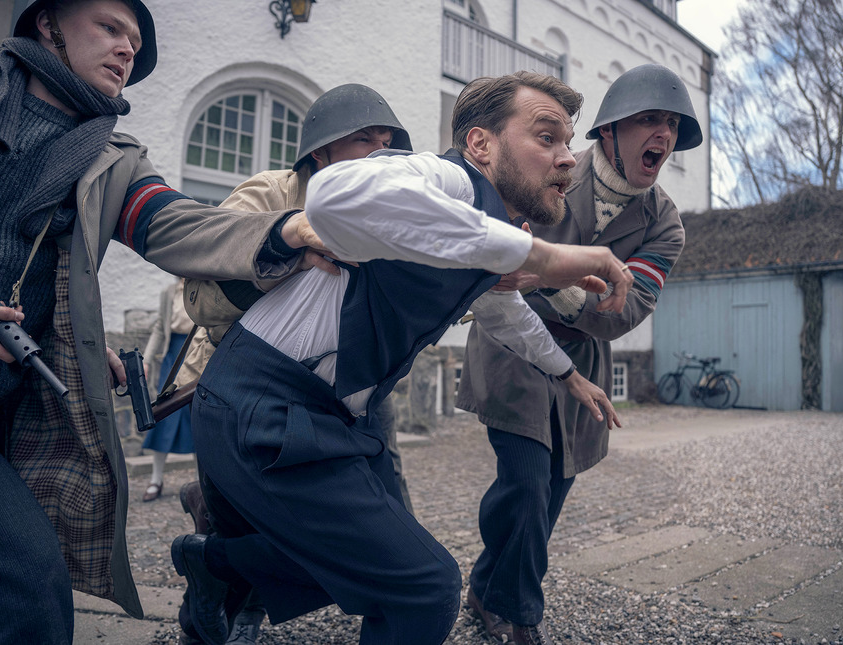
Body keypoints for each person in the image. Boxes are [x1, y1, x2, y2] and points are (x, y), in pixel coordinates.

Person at [171, 70, 632, 645]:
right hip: (263, 402)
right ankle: (221, 566)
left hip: (330, 411)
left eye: (568, 143)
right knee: (424, 586)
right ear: (481, 144)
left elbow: (504, 312)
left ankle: (213, 564)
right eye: (546, 138)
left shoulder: (473, 230)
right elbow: (335, 193)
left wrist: (570, 376)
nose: (568, 159)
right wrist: (543, 253)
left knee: (377, 561)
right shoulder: (446, 178)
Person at [0, 1, 322, 642]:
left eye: (135, 39)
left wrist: (286, 230)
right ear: (47, 24)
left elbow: (179, 225)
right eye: (110, 28)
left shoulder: (113, 157)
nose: (128, 49)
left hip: (10, 402)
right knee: (27, 580)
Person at [456, 63, 702, 644]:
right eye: (647, 120)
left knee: (552, 491)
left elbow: (624, 311)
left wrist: (546, 276)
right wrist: (556, 277)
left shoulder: (665, 224)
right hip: (510, 343)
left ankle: (485, 587)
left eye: (670, 125)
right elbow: (497, 254)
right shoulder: (552, 163)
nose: (661, 136)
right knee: (524, 482)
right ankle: (520, 615)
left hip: (583, 361)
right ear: (610, 130)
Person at [174, 82, 417, 645]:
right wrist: (289, 253)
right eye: (364, 140)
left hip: (350, 391)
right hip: (247, 388)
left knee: (387, 529)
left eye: (388, 143)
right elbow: (199, 298)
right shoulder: (268, 195)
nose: (380, 154)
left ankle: (217, 556)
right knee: (246, 516)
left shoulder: (390, 209)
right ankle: (215, 606)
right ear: (320, 152)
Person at [140, 278, 195, 502]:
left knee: (198, 415)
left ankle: (205, 482)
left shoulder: (206, 285)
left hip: (197, 353)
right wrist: (146, 358)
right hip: (172, 355)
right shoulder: (169, 291)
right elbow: (160, 328)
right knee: (163, 413)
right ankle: (156, 479)